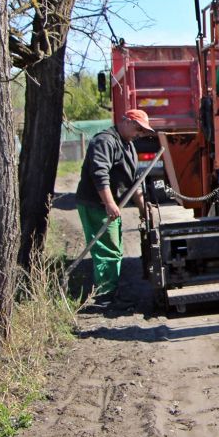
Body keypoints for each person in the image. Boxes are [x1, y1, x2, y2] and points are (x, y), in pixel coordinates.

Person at [75, 109, 154, 307]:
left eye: (143, 131)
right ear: (126, 121)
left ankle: (111, 292)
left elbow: (134, 183)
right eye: (138, 128)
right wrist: (109, 203)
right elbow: (99, 174)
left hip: (109, 205)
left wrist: (144, 210)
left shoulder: (128, 145)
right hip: (96, 205)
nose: (140, 134)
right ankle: (105, 297)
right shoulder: (105, 141)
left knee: (115, 250)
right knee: (106, 251)